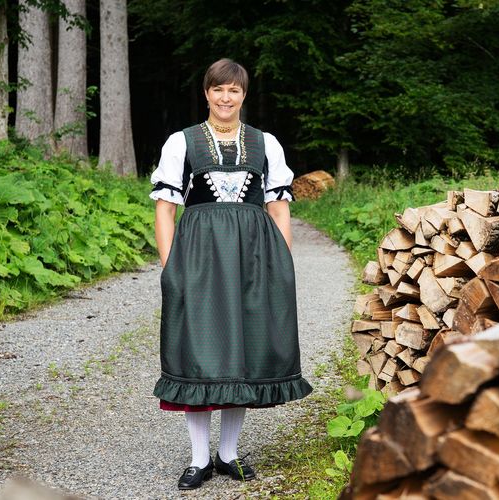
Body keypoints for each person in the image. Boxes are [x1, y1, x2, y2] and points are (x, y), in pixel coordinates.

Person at [149, 58, 313, 490]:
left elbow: (278, 208)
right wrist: (171, 267)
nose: (226, 98)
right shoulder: (180, 143)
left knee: (242, 351)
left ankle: (229, 453)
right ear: (207, 93)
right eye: (218, 89)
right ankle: (199, 459)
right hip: (198, 258)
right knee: (199, 353)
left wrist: (283, 264)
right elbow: (165, 211)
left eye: (234, 90)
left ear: (243, 95)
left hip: (254, 258)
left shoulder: (265, 143)